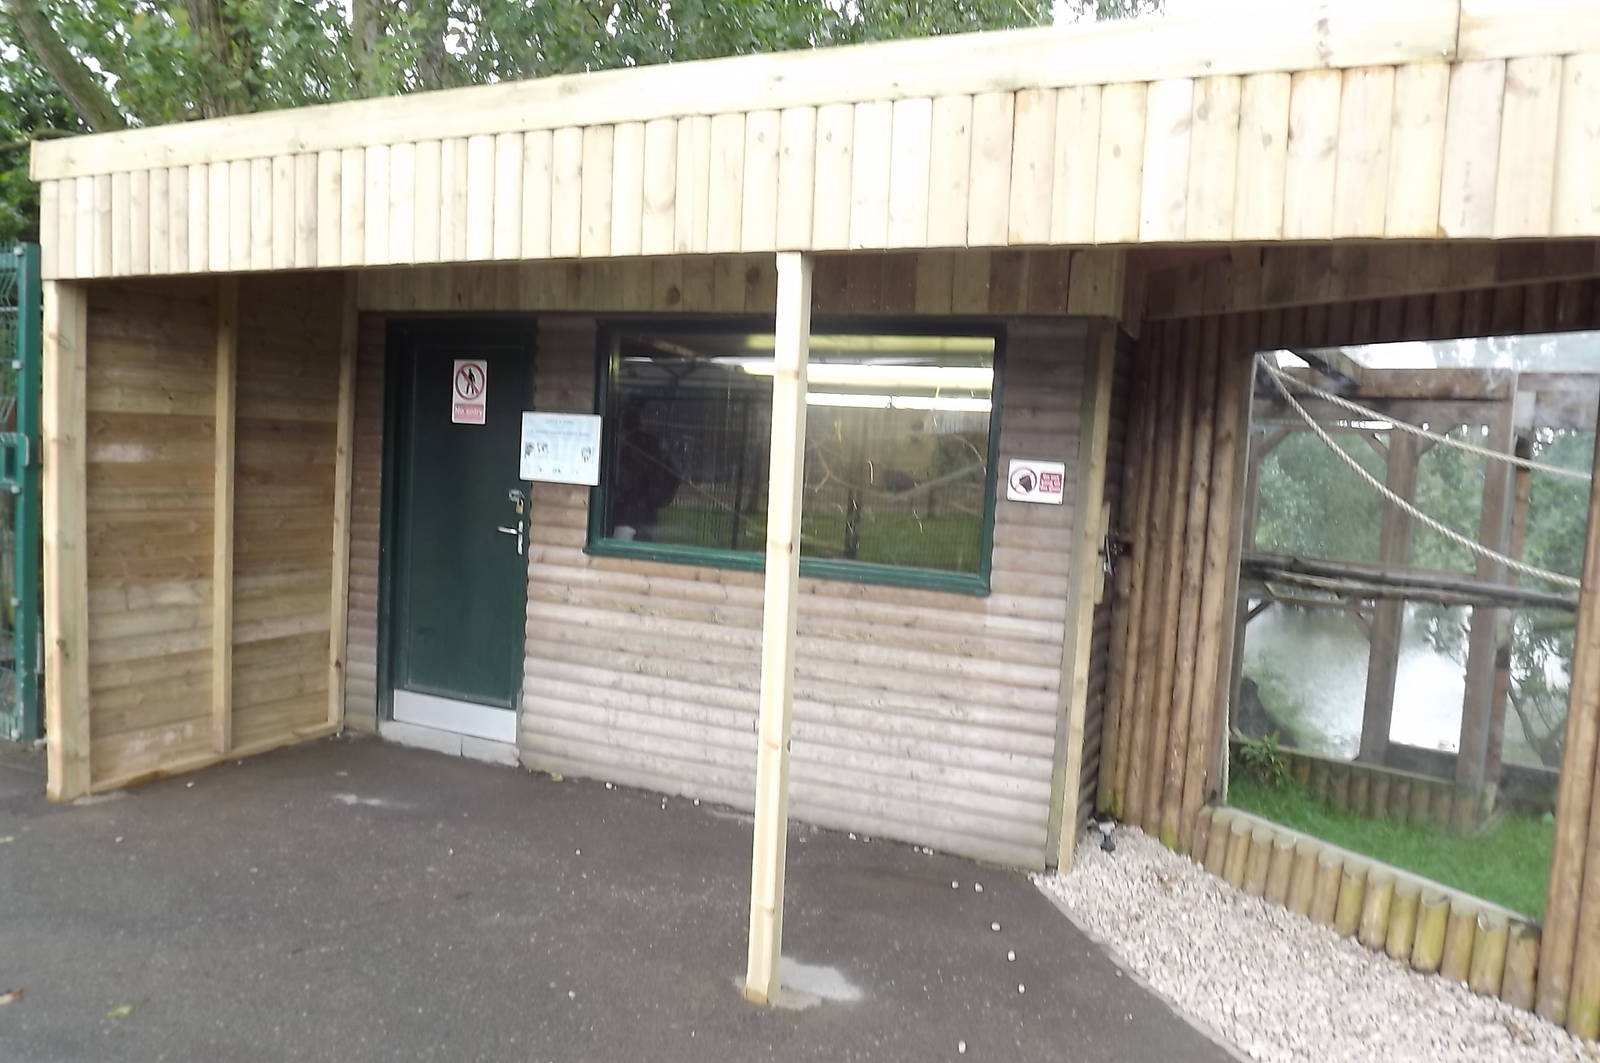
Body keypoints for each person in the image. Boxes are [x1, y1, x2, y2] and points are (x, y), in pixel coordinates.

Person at [612, 402, 681, 542]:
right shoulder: (651, 443)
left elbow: (626, 478)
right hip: (645, 508)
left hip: (633, 507)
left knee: (625, 546)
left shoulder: (630, 446)